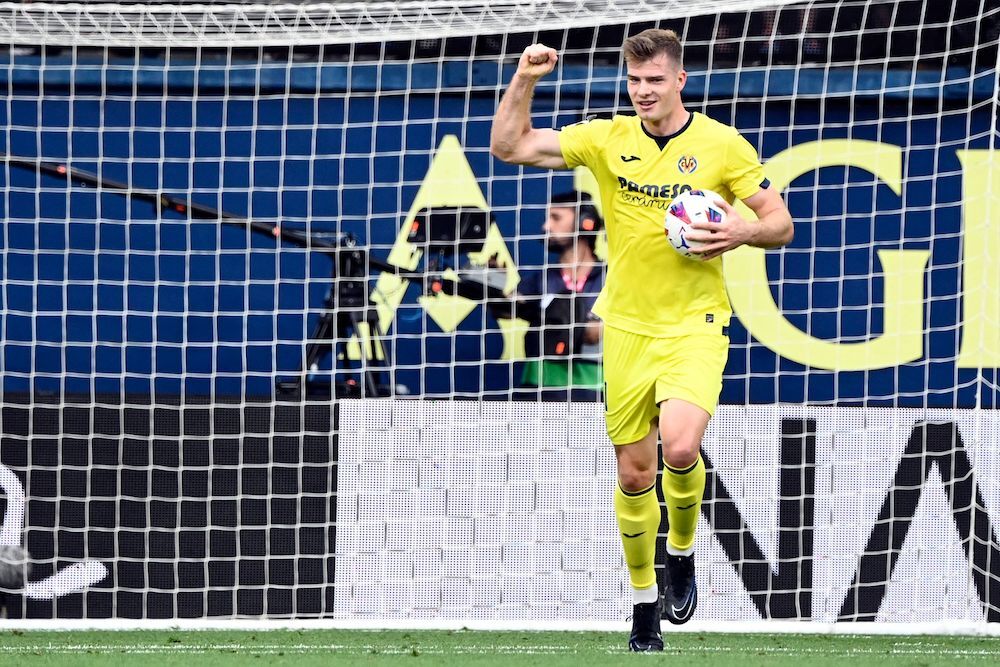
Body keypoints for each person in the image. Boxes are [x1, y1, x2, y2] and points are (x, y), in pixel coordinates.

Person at [490, 29, 793, 651]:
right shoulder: (607, 138)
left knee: (680, 449)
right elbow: (509, 146)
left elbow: (779, 223)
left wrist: (740, 229)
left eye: (655, 81)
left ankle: (680, 552)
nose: (643, 92)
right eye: (634, 82)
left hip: (695, 324)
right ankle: (644, 606)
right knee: (634, 475)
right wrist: (525, 77)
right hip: (626, 326)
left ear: (680, 80)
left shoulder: (721, 145)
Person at [516, 191, 605, 402]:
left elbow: (596, 335)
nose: (546, 227)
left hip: (596, 394)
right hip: (537, 392)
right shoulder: (540, 280)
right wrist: (492, 289)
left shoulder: (611, 280)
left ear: (586, 222)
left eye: (556, 218)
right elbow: (507, 308)